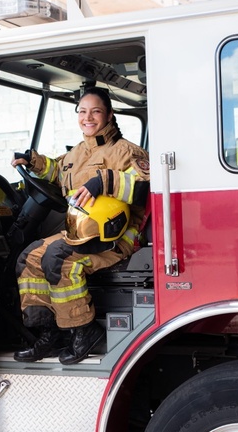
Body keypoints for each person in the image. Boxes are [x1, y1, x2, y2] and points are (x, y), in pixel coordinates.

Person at [12, 86, 150, 365]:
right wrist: (34, 162)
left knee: (58, 259)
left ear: (109, 115)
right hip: (79, 231)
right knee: (28, 259)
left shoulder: (127, 152)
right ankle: (51, 333)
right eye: (83, 111)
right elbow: (58, 171)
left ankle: (85, 331)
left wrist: (103, 182)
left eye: (96, 111)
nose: (88, 117)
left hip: (114, 236)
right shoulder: (76, 153)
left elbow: (144, 187)